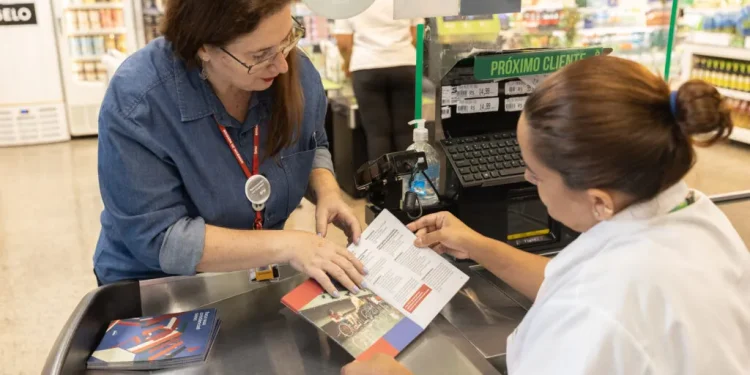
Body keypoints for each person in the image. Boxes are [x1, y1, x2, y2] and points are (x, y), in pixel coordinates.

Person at [342, 56, 750, 374]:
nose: (525, 177)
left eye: (534, 174)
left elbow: (589, 300)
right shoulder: (690, 211)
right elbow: (569, 281)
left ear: (598, 200)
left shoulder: (598, 311)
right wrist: (477, 245)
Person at [93, 0, 367, 296]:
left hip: (254, 272)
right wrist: (291, 245)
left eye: (288, 38)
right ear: (204, 48)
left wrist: (327, 191)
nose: (281, 64)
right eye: (260, 54)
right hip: (157, 285)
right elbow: (161, 238)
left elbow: (312, 142)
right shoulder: (139, 101)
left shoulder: (294, 74)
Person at [333, 0, 423, 160]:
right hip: (405, 64)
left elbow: (343, 42)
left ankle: (382, 184)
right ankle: (409, 181)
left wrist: (347, 64)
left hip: (366, 65)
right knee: (406, 131)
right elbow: (418, 32)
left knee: (377, 135)